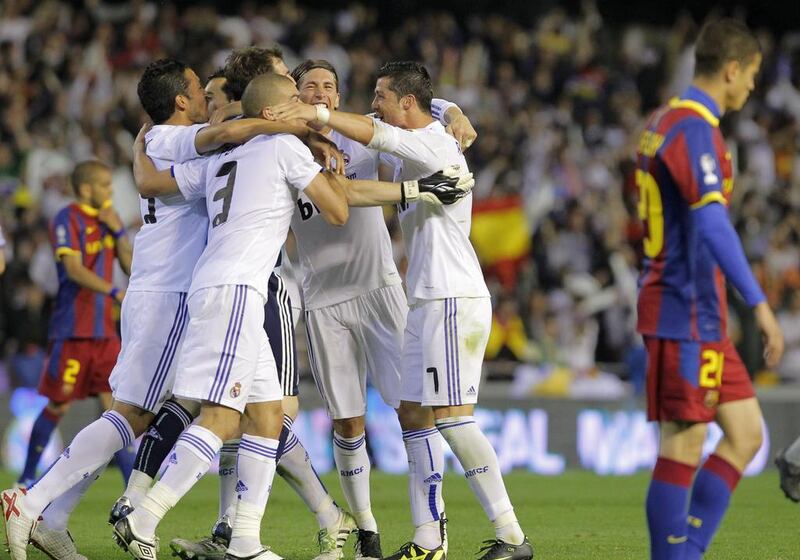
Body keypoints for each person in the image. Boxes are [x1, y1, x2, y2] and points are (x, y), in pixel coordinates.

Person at [113, 72, 471, 560]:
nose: (303, 106)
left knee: (266, 415)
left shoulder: (223, 155)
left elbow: (152, 182)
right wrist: (400, 187)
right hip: (239, 289)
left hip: (223, 284)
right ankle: (144, 515)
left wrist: (448, 109)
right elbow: (339, 209)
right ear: (274, 112)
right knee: (221, 416)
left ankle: (244, 540)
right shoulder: (285, 149)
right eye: (294, 101)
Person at [0, 58, 314, 560]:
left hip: (169, 289)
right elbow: (191, 156)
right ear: (181, 100)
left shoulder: (167, 142)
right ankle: (32, 500)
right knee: (134, 413)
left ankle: (55, 518)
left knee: (201, 410)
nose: (207, 99)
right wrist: (292, 122)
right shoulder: (167, 137)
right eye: (198, 89)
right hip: (169, 291)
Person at [271, 61, 533, 560]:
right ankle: (428, 538)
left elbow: (379, 130)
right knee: (417, 413)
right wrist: (449, 106)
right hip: (420, 299)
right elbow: (379, 151)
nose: (375, 103)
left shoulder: (430, 143)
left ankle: (512, 536)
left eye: (381, 95)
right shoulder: (424, 136)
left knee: (452, 420)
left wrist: (322, 113)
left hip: (451, 296)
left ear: (404, 104)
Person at [634, 19, 784, 559]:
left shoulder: (663, 121)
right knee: (685, 441)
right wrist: (761, 305)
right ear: (732, 69)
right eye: (753, 76)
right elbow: (713, 224)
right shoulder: (693, 128)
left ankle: (688, 550)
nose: (752, 88)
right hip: (682, 309)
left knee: (745, 434)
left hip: (704, 314)